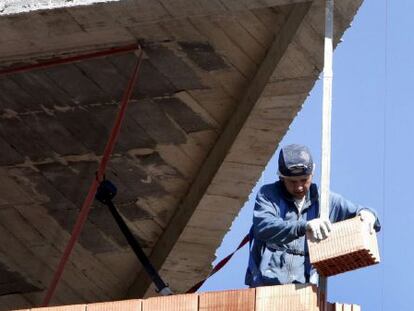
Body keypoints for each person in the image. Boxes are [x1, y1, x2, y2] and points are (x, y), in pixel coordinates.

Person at [245, 144, 381, 287]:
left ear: (312, 173)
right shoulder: (269, 195)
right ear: (281, 177)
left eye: (304, 180)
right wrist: (304, 226)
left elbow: (363, 213)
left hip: (304, 289)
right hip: (267, 286)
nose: (298, 187)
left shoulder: (325, 202)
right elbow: (264, 226)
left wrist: (369, 215)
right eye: (292, 181)